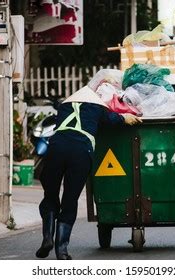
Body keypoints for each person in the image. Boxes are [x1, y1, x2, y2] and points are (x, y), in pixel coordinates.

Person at [35, 86, 142, 260]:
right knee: (70, 199)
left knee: (50, 195)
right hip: (80, 151)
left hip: (56, 148)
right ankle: (61, 250)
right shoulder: (98, 108)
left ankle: (47, 238)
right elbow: (114, 120)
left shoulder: (64, 106)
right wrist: (126, 118)